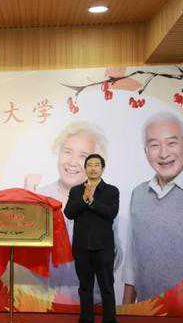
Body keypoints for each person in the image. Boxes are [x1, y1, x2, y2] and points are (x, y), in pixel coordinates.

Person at [24, 122, 133, 305]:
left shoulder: (105, 198)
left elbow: (113, 260)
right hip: (45, 303)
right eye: (67, 151)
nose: (73, 162)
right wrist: (28, 200)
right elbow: (28, 257)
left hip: (93, 302)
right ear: (58, 153)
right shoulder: (39, 196)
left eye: (83, 156)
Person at [129, 112, 183, 301]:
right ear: (146, 152)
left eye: (172, 143)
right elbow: (132, 259)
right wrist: (127, 305)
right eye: (154, 145)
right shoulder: (138, 193)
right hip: (146, 309)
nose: (163, 154)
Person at [64, 153, 119, 323]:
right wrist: (84, 199)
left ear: (102, 168)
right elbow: (69, 213)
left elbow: (111, 213)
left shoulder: (111, 191)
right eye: (90, 165)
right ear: (85, 168)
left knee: (107, 288)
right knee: (85, 288)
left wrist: (93, 201)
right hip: (82, 248)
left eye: (97, 165)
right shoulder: (76, 190)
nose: (93, 168)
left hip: (103, 248)